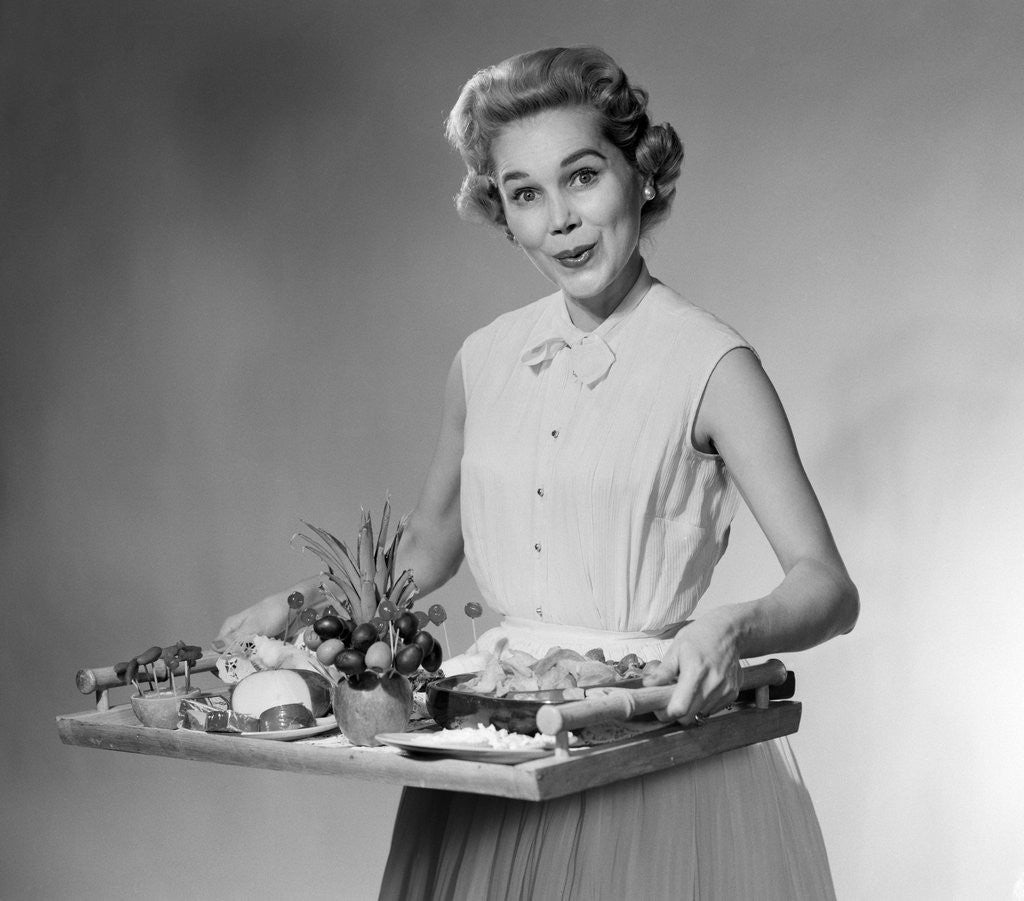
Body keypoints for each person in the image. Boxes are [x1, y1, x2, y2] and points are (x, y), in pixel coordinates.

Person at [217, 46, 859, 900]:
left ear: (639, 175)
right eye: (526, 194)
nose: (560, 218)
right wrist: (298, 611)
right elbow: (428, 545)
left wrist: (731, 630)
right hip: (491, 748)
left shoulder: (713, 364)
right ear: (502, 211)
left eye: (583, 176)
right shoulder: (481, 361)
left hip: (649, 748)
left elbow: (828, 585)